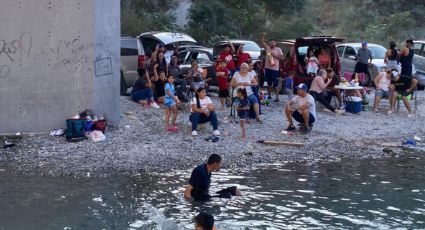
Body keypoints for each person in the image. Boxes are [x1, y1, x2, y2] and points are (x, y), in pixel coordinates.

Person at [260, 35, 284, 102]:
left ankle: (277, 97)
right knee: (268, 82)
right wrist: (263, 36)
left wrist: (274, 56)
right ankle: (269, 95)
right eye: (270, 42)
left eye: (273, 42)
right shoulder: (267, 48)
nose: (271, 44)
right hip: (267, 68)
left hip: (275, 69)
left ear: (275, 43)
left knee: (275, 83)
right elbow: (262, 42)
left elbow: (282, 58)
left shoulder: (278, 49)